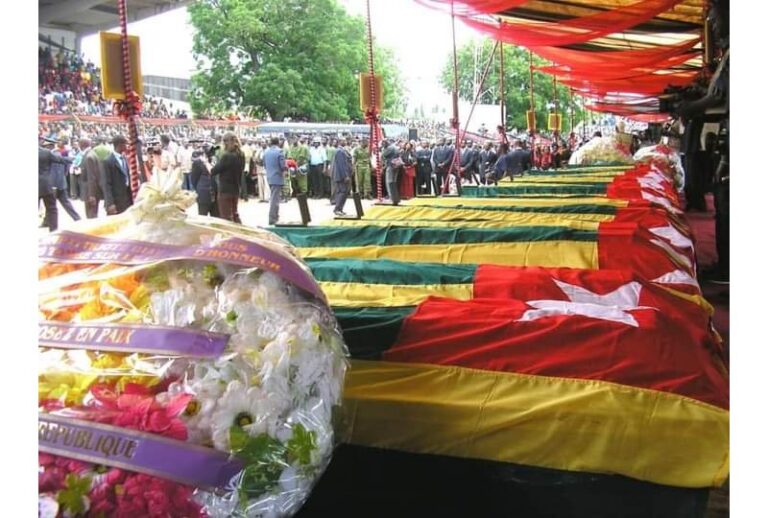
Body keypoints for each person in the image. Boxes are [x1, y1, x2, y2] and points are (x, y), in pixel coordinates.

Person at [211, 132, 245, 223]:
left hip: (225, 189)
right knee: (235, 214)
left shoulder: (227, 156)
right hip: (236, 188)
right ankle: (241, 230)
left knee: (226, 217)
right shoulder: (241, 155)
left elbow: (214, 171)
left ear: (226, 142)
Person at [39, 143, 71, 231]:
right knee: (52, 208)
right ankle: (53, 230)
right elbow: (60, 159)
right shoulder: (45, 152)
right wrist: (71, 159)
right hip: (45, 185)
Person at [101, 135, 133, 215]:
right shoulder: (108, 161)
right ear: (120, 145)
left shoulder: (124, 158)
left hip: (126, 198)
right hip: (116, 200)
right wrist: (110, 203)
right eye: (125, 144)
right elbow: (106, 184)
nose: (127, 146)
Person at [50, 139, 80, 221]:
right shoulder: (55, 153)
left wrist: (55, 185)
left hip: (56, 184)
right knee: (54, 203)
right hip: (59, 183)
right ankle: (77, 218)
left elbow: (57, 171)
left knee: (52, 204)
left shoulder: (55, 154)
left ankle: (77, 218)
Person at [263, 137, 287, 225]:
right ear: (278, 142)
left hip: (269, 177)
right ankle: (273, 218)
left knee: (274, 198)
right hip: (277, 177)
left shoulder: (266, 152)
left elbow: (264, 164)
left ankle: (275, 216)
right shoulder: (279, 152)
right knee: (275, 200)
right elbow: (283, 166)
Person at [190, 149, 218, 217]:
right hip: (203, 194)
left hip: (215, 194)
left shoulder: (215, 162)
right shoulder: (197, 163)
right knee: (203, 217)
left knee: (216, 217)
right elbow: (194, 179)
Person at [332, 139, 353, 216]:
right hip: (341, 176)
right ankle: (337, 209)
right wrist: (345, 176)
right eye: (343, 141)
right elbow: (341, 165)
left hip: (344, 175)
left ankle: (340, 209)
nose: (345, 142)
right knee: (342, 192)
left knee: (344, 192)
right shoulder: (339, 151)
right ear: (340, 142)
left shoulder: (343, 150)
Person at [381, 139, 401, 205]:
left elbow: (383, 155)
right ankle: (396, 199)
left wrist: (382, 149)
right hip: (397, 166)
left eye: (383, 143)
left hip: (391, 166)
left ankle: (392, 199)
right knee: (394, 182)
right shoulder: (395, 147)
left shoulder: (389, 148)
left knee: (389, 182)